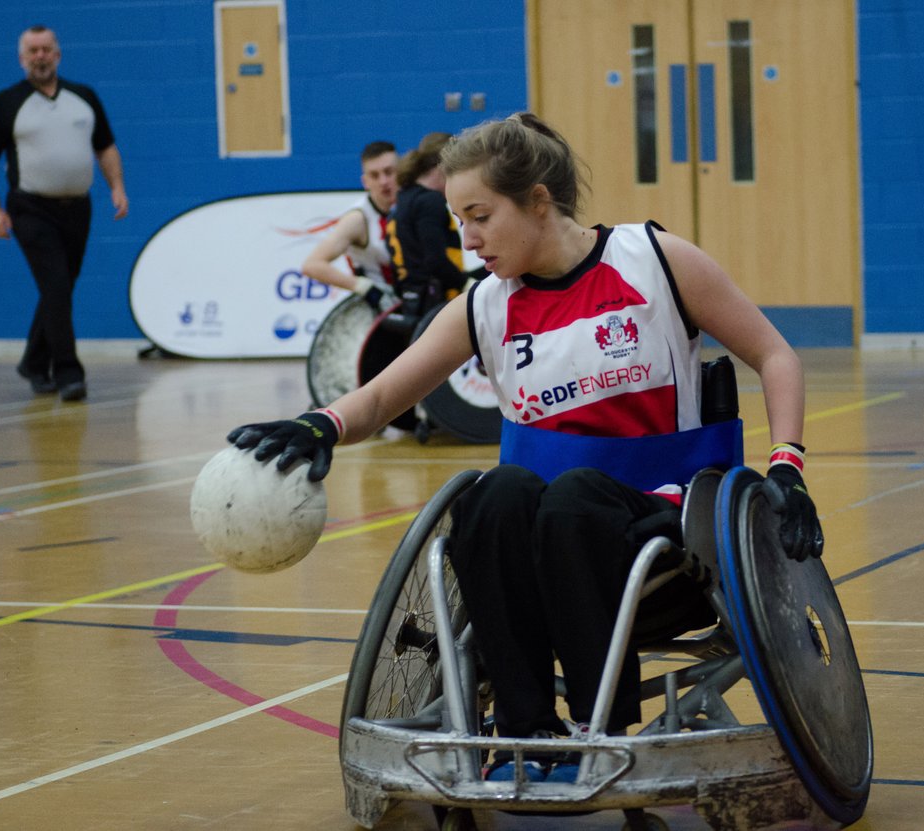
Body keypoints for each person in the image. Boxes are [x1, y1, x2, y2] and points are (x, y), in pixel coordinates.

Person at [226, 113, 824, 781]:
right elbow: (381, 395)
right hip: (540, 557)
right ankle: (527, 729)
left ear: (538, 200)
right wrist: (318, 426)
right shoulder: (485, 305)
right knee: (495, 494)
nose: (467, 238)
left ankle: (601, 726)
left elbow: (775, 354)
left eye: (480, 216)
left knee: (574, 498)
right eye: (459, 220)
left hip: (666, 544)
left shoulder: (654, 261)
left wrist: (787, 466)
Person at [0, 24, 128, 402]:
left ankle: (34, 362)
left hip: (77, 208)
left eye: (46, 49)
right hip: (30, 208)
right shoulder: (6, 103)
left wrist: (117, 187)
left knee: (59, 288)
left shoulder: (83, 97)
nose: (40, 56)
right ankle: (69, 373)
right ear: (21, 58)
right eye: (33, 50)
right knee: (56, 285)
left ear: (57, 54)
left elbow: (105, 146)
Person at [300, 140, 398, 311]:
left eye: (389, 172)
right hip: (380, 309)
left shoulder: (412, 205)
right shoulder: (358, 218)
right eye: (374, 175)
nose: (383, 181)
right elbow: (312, 265)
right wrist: (364, 287)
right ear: (365, 181)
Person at [384, 132, 471, 317]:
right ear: (442, 167)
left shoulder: (403, 198)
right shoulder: (430, 201)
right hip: (434, 302)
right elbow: (436, 262)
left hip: (412, 301)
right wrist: (467, 284)